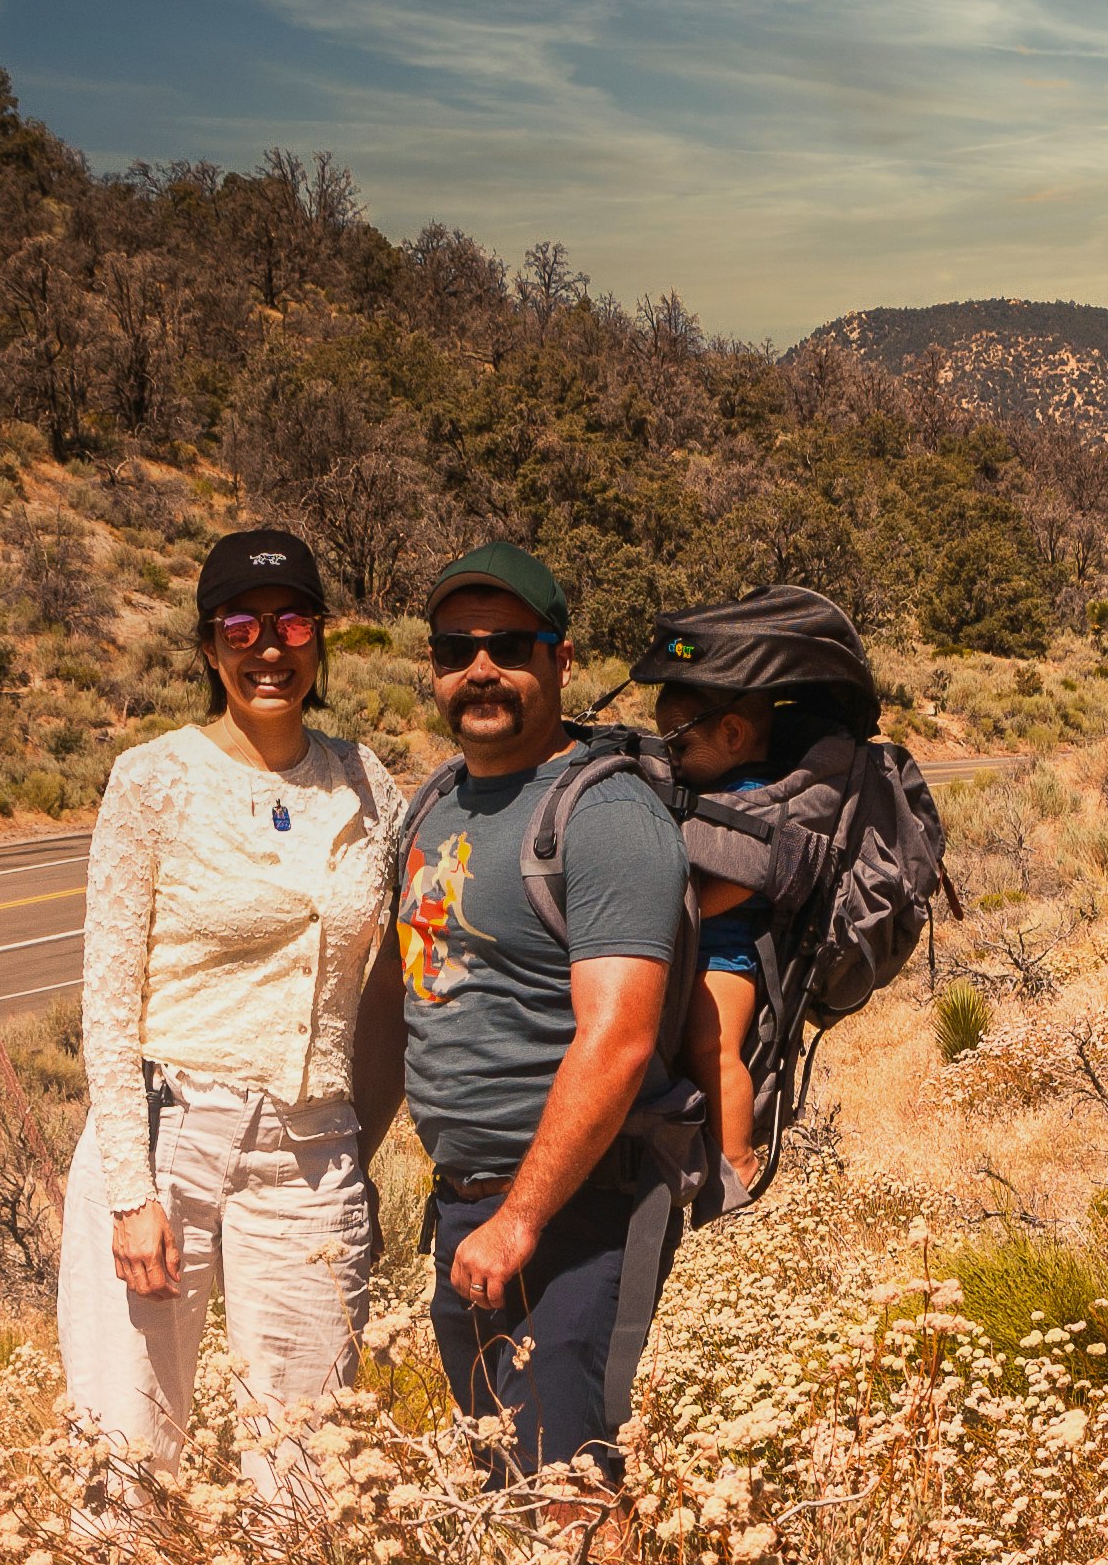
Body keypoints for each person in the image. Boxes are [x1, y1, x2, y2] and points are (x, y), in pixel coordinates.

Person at [58, 527, 407, 1499]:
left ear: (321, 638)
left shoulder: (366, 783)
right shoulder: (152, 778)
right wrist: (132, 1191)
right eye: (241, 623)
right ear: (210, 644)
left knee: (303, 1470)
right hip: (169, 1142)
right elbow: (107, 996)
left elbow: (409, 968)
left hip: (311, 1155)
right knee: (125, 1457)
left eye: (291, 619)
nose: (269, 645)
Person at [395, 541, 689, 1483]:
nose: (480, 669)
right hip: (466, 1214)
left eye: (510, 644)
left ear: (561, 661)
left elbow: (620, 1037)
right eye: (455, 649)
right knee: (503, 1484)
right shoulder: (436, 804)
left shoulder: (605, 820)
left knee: (570, 1491)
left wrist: (521, 1218)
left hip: (573, 1213)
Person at [652, 680, 781, 1195]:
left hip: (726, 956)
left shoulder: (753, 798)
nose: (672, 759)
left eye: (680, 745)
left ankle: (739, 1160)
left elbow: (747, 877)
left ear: (731, 733)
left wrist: (688, 908)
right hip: (692, 951)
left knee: (713, 1048)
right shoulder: (707, 793)